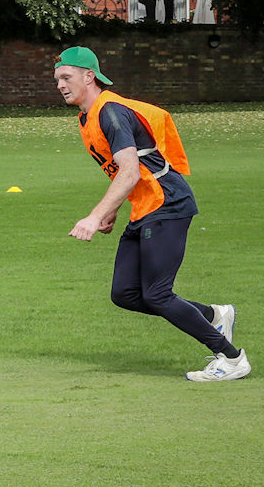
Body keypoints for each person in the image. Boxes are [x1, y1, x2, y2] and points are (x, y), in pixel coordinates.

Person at [54, 46, 249, 381]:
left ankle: (231, 359)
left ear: (89, 77)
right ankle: (215, 315)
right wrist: (111, 211)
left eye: (66, 76)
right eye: (56, 78)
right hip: (145, 207)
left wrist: (93, 215)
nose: (59, 84)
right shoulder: (88, 117)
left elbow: (129, 172)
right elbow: (126, 172)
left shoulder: (110, 112)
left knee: (158, 293)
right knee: (125, 294)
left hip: (167, 203)